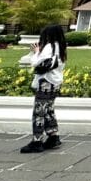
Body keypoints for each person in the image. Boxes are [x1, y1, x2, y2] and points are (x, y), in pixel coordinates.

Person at [21, 24, 67, 153]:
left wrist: (36, 52)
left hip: (45, 82)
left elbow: (36, 62)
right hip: (55, 83)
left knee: (39, 112)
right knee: (48, 110)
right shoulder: (61, 47)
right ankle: (53, 136)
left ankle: (37, 141)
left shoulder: (49, 47)